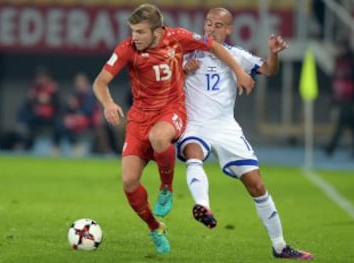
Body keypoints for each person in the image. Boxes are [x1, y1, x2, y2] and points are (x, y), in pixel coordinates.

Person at [92, 4, 254, 254]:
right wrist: (108, 103)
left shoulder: (178, 38)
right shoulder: (127, 49)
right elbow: (100, 82)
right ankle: (155, 227)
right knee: (129, 182)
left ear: (157, 32)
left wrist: (239, 70)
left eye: (140, 32)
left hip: (171, 110)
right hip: (139, 118)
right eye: (133, 31)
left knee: (159, 138)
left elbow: (214, 45)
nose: (134, 37)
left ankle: (166, 188)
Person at [176, 8, 313, 260]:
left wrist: (273, 53)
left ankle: (280, 247)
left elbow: (269, 70)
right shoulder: (186, 50)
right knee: (193, 153)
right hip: (195, 124)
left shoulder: (237, 55)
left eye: (218, 25)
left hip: (225, 127)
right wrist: (183, 71)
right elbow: (165, 79)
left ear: (228, 29)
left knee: (257, 185)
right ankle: (203, 207)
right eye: (208, 23)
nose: (210, 29)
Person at [17, 66, 61, 152]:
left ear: (48, 78)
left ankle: (56, 147)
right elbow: (27, 103)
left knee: (59, 124)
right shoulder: (33, 88)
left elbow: (58, 104)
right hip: (37, 116)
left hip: (50, 116)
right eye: (39, 77)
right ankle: (27, 146)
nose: (40, 79)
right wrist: (37, 98)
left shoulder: (53, 87)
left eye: (42, 77)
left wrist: (49, 99)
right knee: (27, 119)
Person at [324, 38, 354, 158]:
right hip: (341, 97)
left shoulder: (350, 61)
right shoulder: (339, 62)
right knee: (347, 124)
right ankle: (330, 148)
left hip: (348, 97)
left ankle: (330, 148)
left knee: (343, 123)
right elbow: (335, 80)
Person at [58, 72, 101, 156]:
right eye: (77, 82)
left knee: (67, 123)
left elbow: (88, 111)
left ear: (85, 83)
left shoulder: (90, 94)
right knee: (61, 121)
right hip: (79, 119)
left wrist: (76, 107)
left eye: (80, 82)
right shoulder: (77, 94)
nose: (78, 85)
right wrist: (70, 105)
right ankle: (60, 146)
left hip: (89, 120)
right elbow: (69, 110)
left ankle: (76, 146)